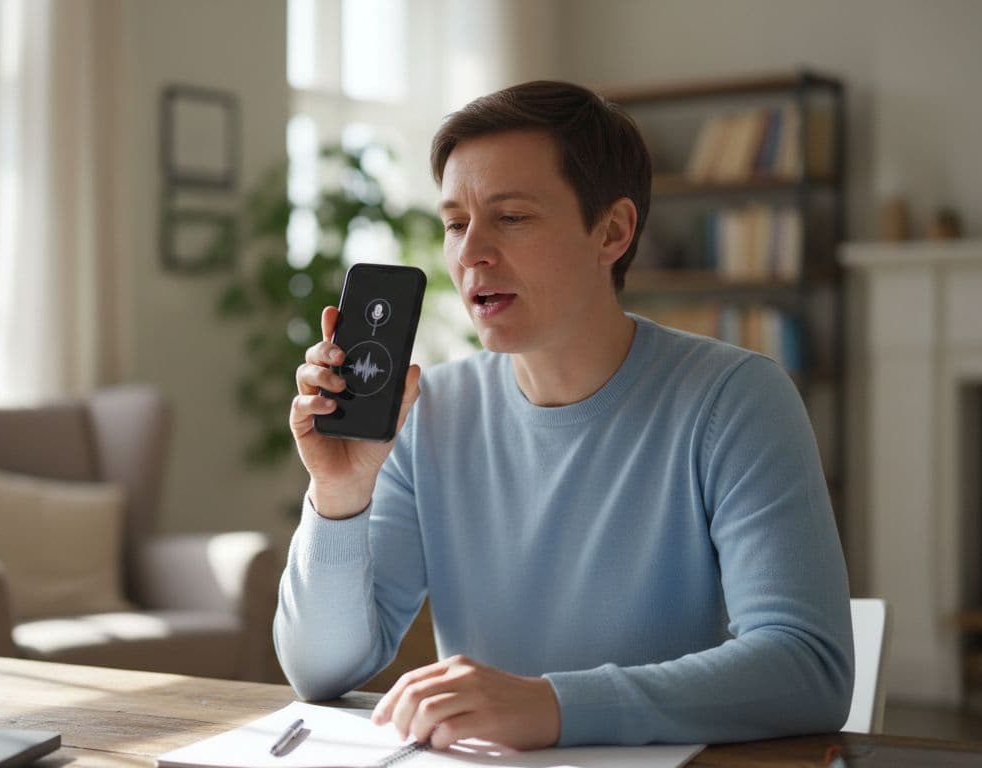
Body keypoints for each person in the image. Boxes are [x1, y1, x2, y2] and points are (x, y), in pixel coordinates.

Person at [276, 80, 853, 749]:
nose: (470, 254)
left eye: (511, 217)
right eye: (456, 223)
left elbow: (808, 667)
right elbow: (320, 670)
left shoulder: (737, 400)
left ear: (612, 231)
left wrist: (555, 706)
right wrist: (339, 493)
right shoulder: (430, 413)